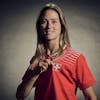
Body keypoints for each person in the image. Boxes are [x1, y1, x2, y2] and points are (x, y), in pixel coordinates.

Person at [16, 3, 97, 100]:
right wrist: (35, 74)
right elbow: (20, 95)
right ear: (39, 28)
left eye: (54, 21)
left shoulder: (76, 58)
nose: (49, 26)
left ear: (62, 26)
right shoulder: (37, 59)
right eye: (44, 22)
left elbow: (90, 97)